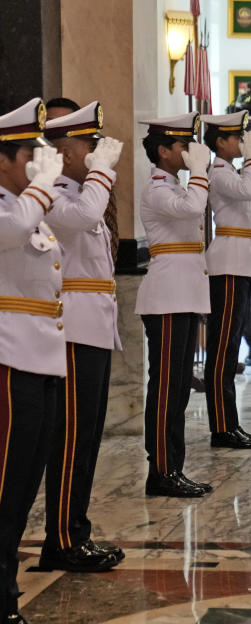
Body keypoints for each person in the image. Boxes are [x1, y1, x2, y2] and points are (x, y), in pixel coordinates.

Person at [40, 101, 125, 571]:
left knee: (86, 437)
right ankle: (64, 540)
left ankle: (74, 531)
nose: (98, 154)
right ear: (67, 153)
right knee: (70, 438)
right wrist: (102, 173)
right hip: (71, 329)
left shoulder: (76, 188)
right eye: (88, 146)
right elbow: (83, 218)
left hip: (93, 325)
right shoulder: (53, 191)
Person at [0, 98, 66, 623]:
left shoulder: (25, 206)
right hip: (8, 359)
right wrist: (44, 186)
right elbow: (12, 233)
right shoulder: (13, 209)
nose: (38, 165)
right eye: (30, 155)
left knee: (25, 479)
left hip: (39, 358)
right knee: (5, 481)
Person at [134, 112, 213, 497]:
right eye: (183, 145)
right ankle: (161, 470)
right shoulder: (158, 190)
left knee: (179, 387)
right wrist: (200, 171)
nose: (189, 151)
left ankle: (172, 467)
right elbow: (194, 210)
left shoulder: (177, 187)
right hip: (165, 298)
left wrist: (196, 171)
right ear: (163, 151)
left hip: (181, 295)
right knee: (165, 388)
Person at [200, 110, 251, 449]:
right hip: (227, 264)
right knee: (222, 348)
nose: (242, 143)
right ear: (220, 142)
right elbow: (248, 189)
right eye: (236, 138)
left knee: (230, 346)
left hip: (241, 261)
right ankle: (222, 426)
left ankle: (231, 423)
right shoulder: (218, 171)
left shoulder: (231, 168)